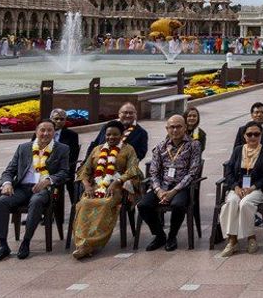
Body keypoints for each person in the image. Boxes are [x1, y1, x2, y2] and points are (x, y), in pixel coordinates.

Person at [0, 120, 70, 261]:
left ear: (54, 132)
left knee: (36, 201)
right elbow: (9, 171)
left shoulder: (62, 149)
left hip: (43, 189)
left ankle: (26, 242)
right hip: (22, 188)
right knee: (2, 201)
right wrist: (7, 183)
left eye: (49, 130)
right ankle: (3, 245)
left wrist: (48, 180)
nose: (45, 133)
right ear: (36, 131)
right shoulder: (23, 148)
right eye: (42, 130)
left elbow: (65, 173)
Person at [71, 120, 142, 259]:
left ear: (122, 136)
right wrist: (87, 185)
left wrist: (117, 181)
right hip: (96, 186)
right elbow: (84, 170)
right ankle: (82, 244)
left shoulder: (128, 149)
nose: (111, 137)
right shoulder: (97, 149)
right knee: (85, 203)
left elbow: (133, 169)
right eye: (108, 134)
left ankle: (90, 244)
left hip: (118, 187)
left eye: (115, 135)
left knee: (104, 203)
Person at [138, 115, 203, 251]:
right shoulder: (160, 147)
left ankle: (172, 236)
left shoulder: (193, 145)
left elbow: (193, 173)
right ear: (167, 129)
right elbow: (154, 172)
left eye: (178, 126)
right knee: (143, 205)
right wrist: (158, 190)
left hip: (182, 187)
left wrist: (174, 191)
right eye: (172, 127)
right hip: (162, 186)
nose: (175, 130)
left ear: (185, 128)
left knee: (178, 204)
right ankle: (160, 235)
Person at [218, 122, 263, 257]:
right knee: (231, 202)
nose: (253, 137)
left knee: (245, 204)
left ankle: (251, 237)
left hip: (256, 189)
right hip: (237, 188)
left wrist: (253, 187)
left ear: (261, 135)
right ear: (244, 136)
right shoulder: (238, 150)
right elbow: (229, 171)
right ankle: (232, 240)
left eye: (256, 134)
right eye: (249, 134)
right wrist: (236, 187)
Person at [48, 107, 81, 172]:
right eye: (56, 119)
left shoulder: (72, 135)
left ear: (65, 121)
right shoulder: (41, 133)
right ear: (50, 119)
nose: (59, 121)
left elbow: (72, 157)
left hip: (62, 170)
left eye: (62, 119)